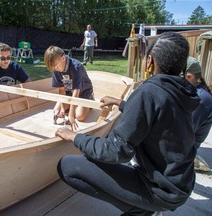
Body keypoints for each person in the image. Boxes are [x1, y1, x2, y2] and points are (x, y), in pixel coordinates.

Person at [55, 32, 200, 216]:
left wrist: (74, 136)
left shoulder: (149, 91)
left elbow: (116, 151)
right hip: (181, 184)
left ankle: (140, 210)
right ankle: (145, 206)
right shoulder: (183, 91)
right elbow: (159, 115)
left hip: (160, 190)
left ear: (149, 61)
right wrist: (121, 103)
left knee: (67, 166)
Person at [44, 46, 94, 131]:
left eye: (56, 67)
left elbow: (76, 93)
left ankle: (90, 101)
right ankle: (73, 108)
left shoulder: (76, 67)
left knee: (79, 116)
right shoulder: (56, 70)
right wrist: (63, 110)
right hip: (69, 92)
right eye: (54, 69)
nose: (55, 70)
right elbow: (62, 90)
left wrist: (71, 116)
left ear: (63, 58)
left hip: (83, 92)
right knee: (56, 110)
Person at [184, 56, 212, 172]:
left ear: (189, 76)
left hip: (185, 148)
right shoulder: (193, 90)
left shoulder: (200, 100)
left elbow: (183, 134)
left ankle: (192, 161)